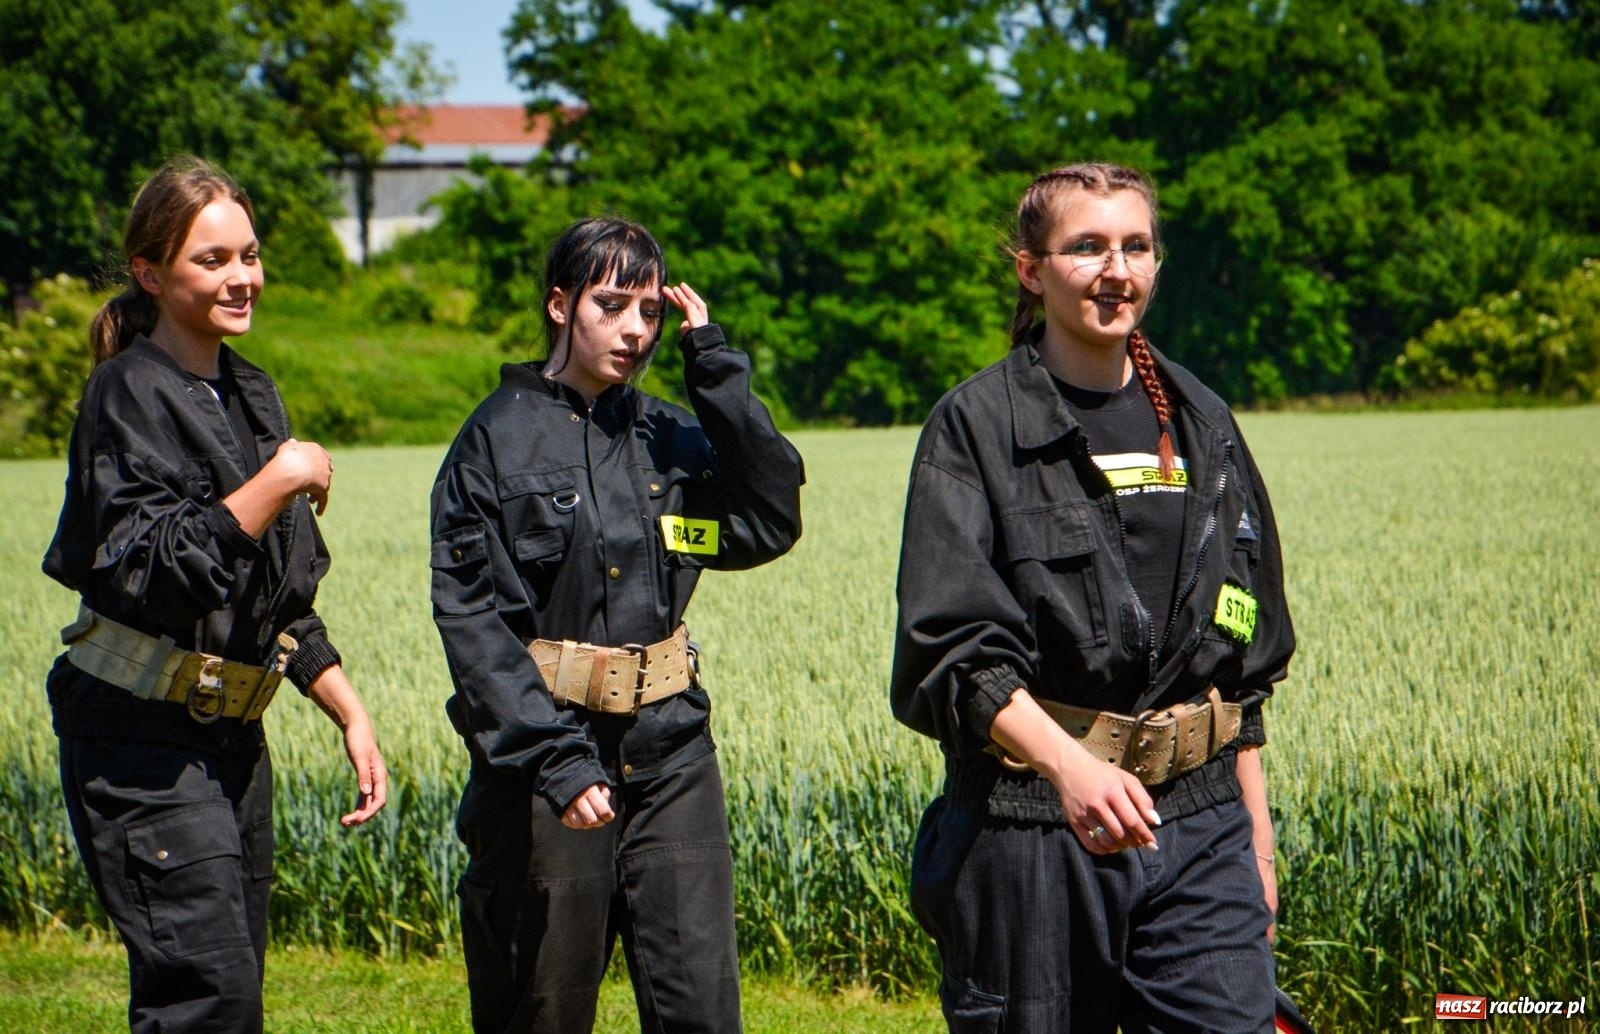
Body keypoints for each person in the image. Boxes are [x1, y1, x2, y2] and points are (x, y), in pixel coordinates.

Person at [891, 162, 1296, 1033]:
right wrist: (1070, 767)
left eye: (1135, 246)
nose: (1116, 270)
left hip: (1201, 820)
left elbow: (1241, 670)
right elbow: (951, 656)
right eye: (1087, 247)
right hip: (1030, 828)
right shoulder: (976, 427)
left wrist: (1256, 843)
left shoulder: (1202, 421)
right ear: (1031, 270)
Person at [429, 216, 805, 1033]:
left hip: (673, 759)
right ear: (561, 305)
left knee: (702, 1013)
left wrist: (718, 372)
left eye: (651, 311)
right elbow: (475, 626)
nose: (637, 329)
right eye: (612, 305)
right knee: (541, 1012)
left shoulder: (670, 434)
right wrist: (556, 763)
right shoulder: (492, 442)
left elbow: (771, 516)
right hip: (545, 770)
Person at [43, 156, 387, 1033]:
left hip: (233, 739)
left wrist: (347, 710)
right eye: (214, 260)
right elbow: (147, 570)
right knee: (207, 1001)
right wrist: (277, 479)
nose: (243, 277)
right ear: (152, 274)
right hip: (139, 739)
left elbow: (277, 597)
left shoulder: (250, 393)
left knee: (229, 995)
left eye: (251, 254)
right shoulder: (123, 394)